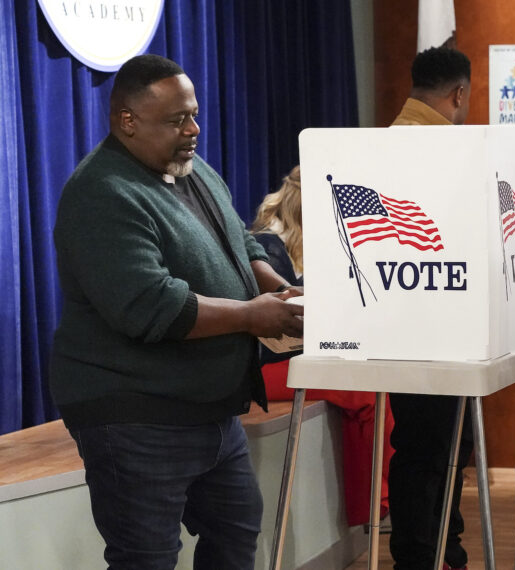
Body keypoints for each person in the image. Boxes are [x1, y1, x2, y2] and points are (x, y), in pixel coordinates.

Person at [50, 54, 304, 569]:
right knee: (146, 558)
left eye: (193, 114)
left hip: (208, 411)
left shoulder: (190, 168)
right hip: (136, 417)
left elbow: (240, 243)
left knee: (235, 534)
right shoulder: (100, 194)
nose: (193, 129)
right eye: (175, 120)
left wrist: (280, 290)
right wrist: (252, 316)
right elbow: (151, 306)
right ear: (127, 120)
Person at [250, 165, 396, 527]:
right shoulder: (269, 246)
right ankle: (377, 502)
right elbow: (280, 326)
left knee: (375, 385)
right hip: (268, 364)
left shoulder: (306, 245)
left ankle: (381, 498)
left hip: (298, 357)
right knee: (366, 392)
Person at [387, 45, 472, 570]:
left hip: (398, 320)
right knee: (435, 453)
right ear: (459, 93)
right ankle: (431, 556)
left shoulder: (385, 144)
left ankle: (432, 553)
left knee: (422, 448)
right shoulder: (448, 151)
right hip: (443, 324)